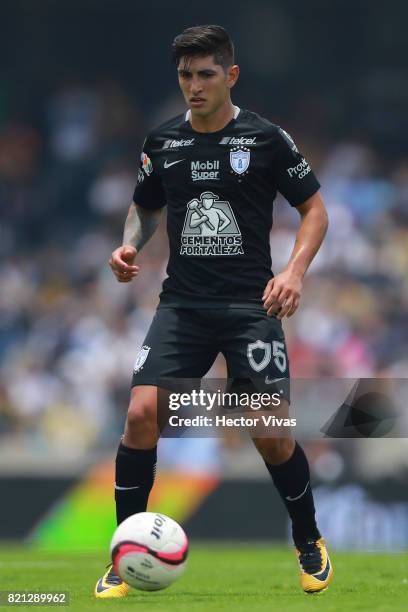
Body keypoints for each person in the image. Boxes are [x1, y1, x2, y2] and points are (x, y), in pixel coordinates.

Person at [95, 24, 332, 598]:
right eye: (185, 75)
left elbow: (315, 210)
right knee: (140, 416)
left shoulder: (267, 139)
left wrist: (294, 272)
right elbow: (145, 208)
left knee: (269, 433)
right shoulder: (163, 142)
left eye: (205, 75)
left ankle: (308, 539)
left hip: (251, 305)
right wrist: (131, 243)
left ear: (231, 76)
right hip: (183, 304)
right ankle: (124, 552)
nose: (194, 86)